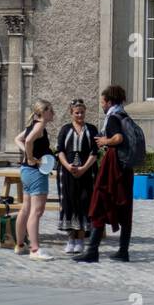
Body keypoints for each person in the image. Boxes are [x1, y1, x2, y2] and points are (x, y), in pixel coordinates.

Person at [75, 84, 133, 263]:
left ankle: (92, 251)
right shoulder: (124, 115)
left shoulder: (114, 117)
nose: (101, 104)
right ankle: (123, 251)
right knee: (124, 207)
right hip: (125, 167)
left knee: (99, 203)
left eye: (102, 101)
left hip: (113, 165)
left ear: (109, 101)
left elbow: (118, 138)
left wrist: (104, 140)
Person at [13, 98, 56, 260]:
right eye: (51, 110)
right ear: (43, 112)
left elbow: (18, 139)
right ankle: (34, 249)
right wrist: (30, 156)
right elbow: (29, 140)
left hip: (26, 171)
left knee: (25, 209)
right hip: (36, 172)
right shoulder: (39, 126)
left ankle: (19, 244)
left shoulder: (33, 125)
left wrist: (26, 155)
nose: (53, 113)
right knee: (36, 212)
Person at [55, 99, 98, 255]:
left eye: (82, 112)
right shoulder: (65, 130)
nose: (80, 115)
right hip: (67, 173)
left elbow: (95, 152)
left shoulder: (92, 129)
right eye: (77, 113)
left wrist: (84, 168)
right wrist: (67, 166)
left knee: (84, 203)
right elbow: (60, 150)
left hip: (87, 173)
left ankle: (80, 239)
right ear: (71, 113)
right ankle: (71, 239)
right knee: (69, 203)